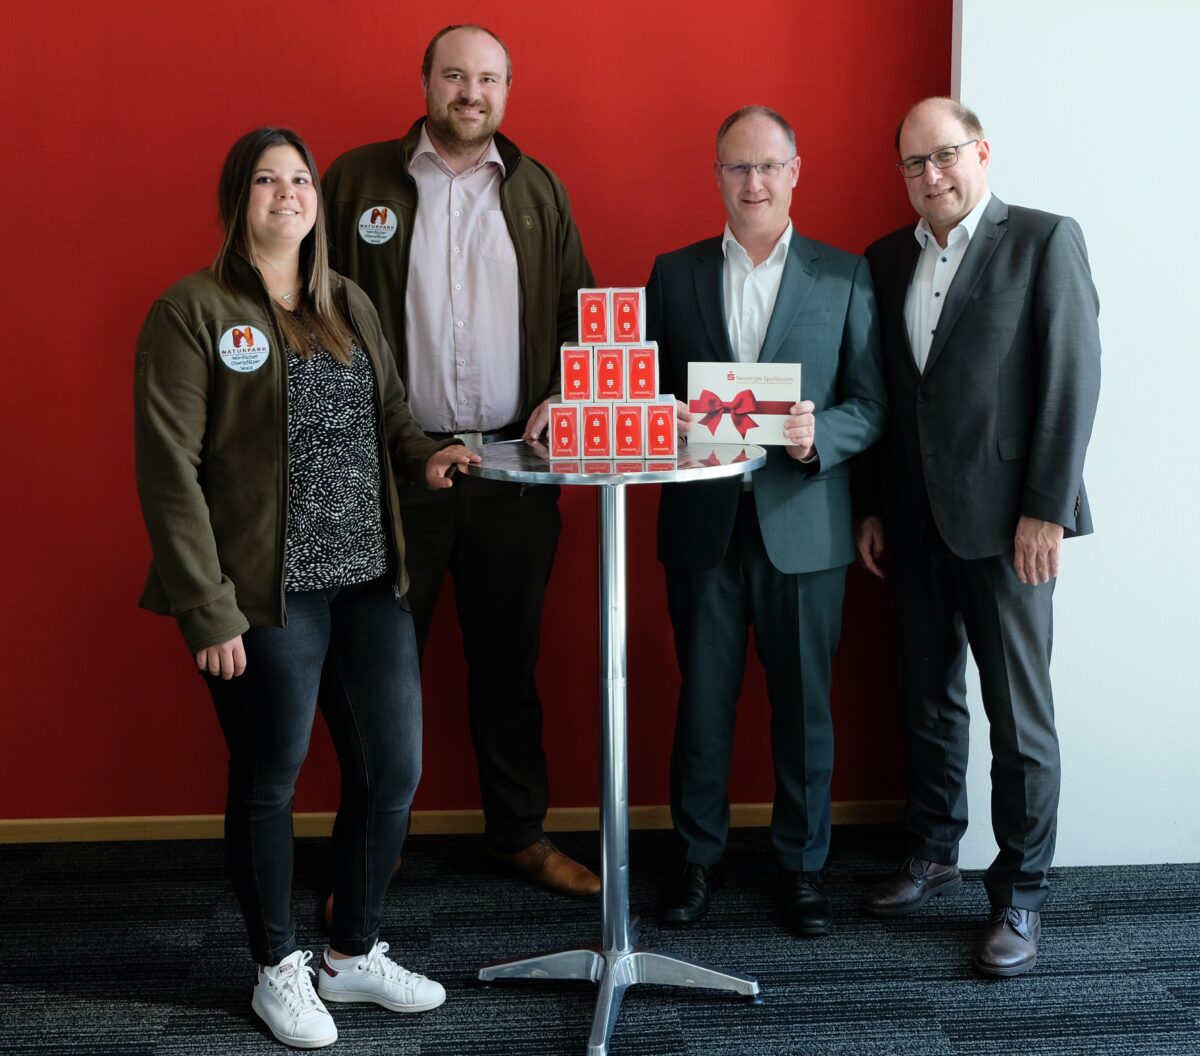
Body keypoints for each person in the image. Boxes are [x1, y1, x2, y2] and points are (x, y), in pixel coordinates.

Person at [134, 127, 480, 1049]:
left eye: (301, 179)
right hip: (261, 593)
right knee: (269, 780)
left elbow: (395, 422)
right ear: (235, 197)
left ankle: (351, 952)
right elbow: (169, 471)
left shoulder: (348, 305)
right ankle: (276, 967)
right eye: (266, 180)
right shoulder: (191, 310)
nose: (287, 193)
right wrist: (207, 608)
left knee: (393, 770)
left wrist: (431, 456)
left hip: (368, 580)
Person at [323, 24, 600, 897]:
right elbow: (312, 304)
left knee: (509, 664)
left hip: (515, 467)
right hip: (397, 471)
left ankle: (518, 835)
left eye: (487, 79)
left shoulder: (539, 188)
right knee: (378, 676)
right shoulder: (358, 179)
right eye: (454, 76)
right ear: (427, 83)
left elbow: (576, 312)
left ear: (508, 91)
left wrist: (562, 389)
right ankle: (372, 853)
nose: (470, 93)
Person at [855, 97, 1101, 977]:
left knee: (1018, 717)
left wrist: (1047, 506)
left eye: (945, 156)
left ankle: (1023, 895)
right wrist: (875, 506)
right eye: (914, 164)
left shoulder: (1043, 240)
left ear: (981, 153)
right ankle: (930, 850)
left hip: (1008, 527)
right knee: (927, 699)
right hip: (915, 520)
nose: (932, 176)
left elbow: (1071, 380)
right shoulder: (887, 260)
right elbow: (891, 398)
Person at [647, 106, 887, 936]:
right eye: (736, 168)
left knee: (805, 707)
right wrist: (661, 415)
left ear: (795, 171)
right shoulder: (672, 275)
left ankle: (803, 867)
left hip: (804, 522)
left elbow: (872, 405)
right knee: (703, 704)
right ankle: (698, 859)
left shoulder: (844, 275)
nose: (753, 183)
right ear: (715, 175)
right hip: (702, 525)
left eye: (768, 167)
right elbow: (639, 393)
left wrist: (827, 433)